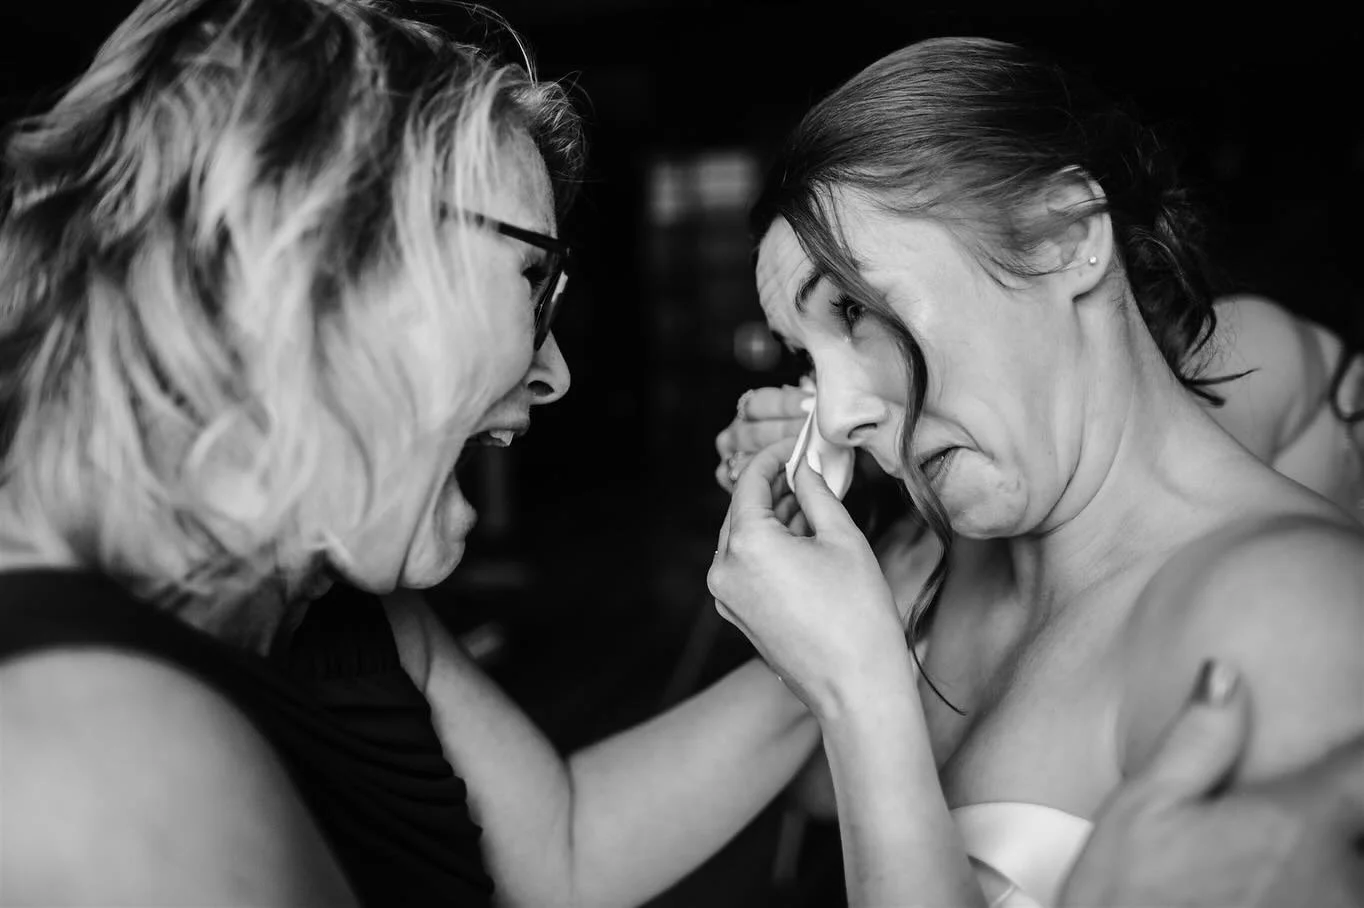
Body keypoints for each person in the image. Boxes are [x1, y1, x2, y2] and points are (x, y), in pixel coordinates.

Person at [0, 3, 820, 906]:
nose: (556, 374)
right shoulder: (96, 767)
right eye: (530, 279)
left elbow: (560, 853)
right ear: (326, 260)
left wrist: (881, 596)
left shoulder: (328, 588)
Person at [706, 35, 1364, 908]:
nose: (835, 414)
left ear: (1064, 240)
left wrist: (859, 692)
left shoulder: (1287, 611)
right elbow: (814, 796)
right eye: (807, 358)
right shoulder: (945, 572)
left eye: (856, 310)